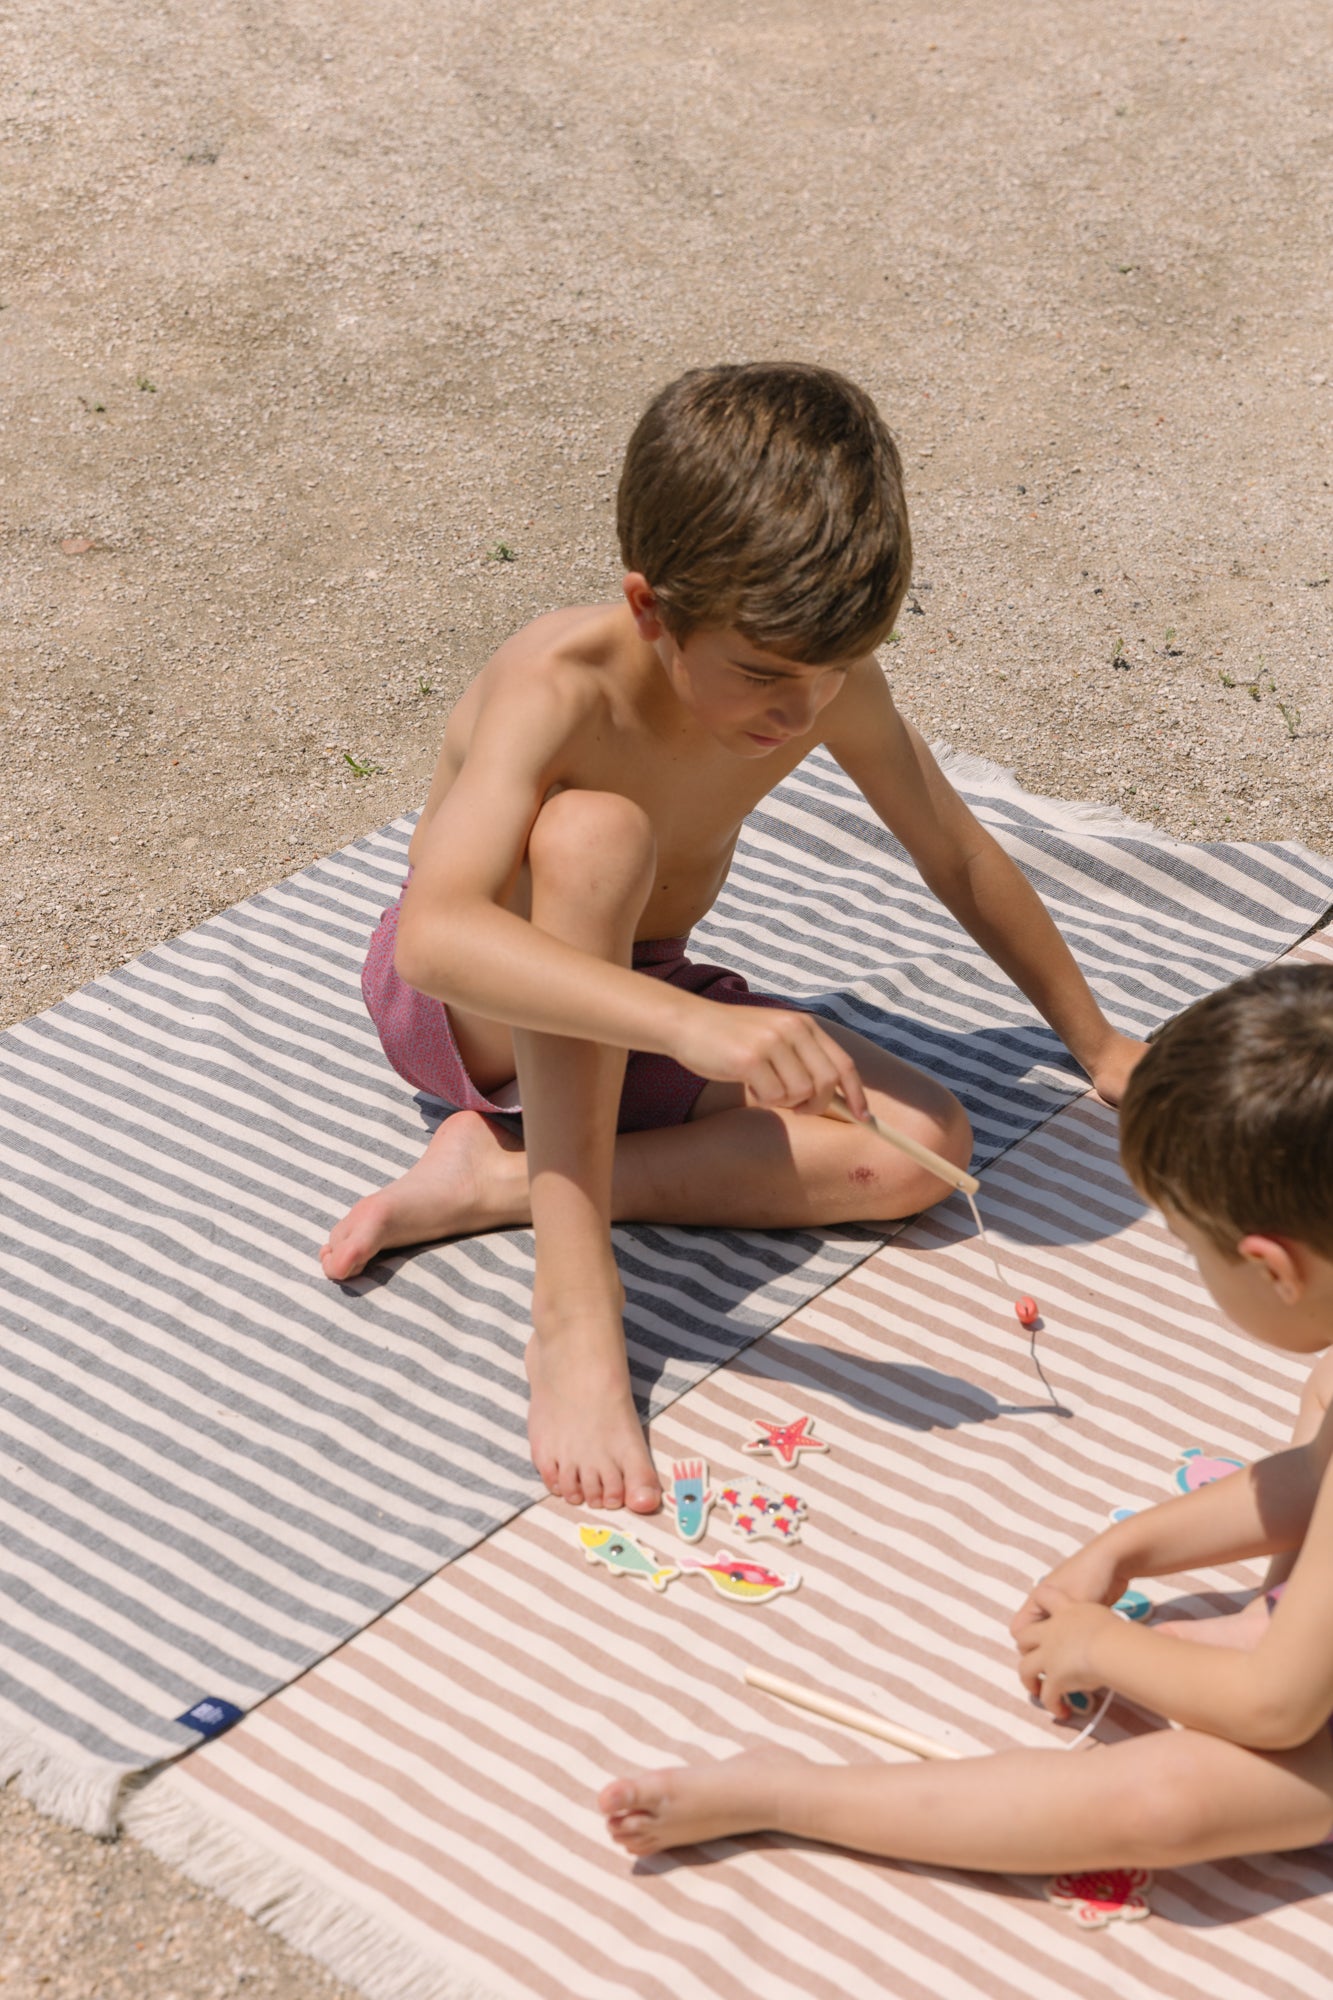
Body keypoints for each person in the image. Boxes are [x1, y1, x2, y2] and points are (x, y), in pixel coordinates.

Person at [321, 361, 1142, 1515]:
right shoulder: (555, 687)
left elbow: (952, 848)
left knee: (914, 1145)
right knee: (595, 837)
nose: (797, 715)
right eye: (762, 675)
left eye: (827, 676)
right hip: (480, 1012)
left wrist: (1096, 1040)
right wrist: (694, 1024)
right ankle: (573, 1308)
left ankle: (494, 1179)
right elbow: (436, 938)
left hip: (640, 991)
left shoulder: (814, 674)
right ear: (651, 607)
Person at [600, 964, 1333, 1869]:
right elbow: (1310, 1475)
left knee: (1170, 1798)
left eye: (1191, 1250)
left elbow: (1275, 1709)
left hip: (1284, 1694)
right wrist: (1126, 1548)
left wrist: (1102, 1646)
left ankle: (787, 1793)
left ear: (1274, 1268)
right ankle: (1285, 1624)